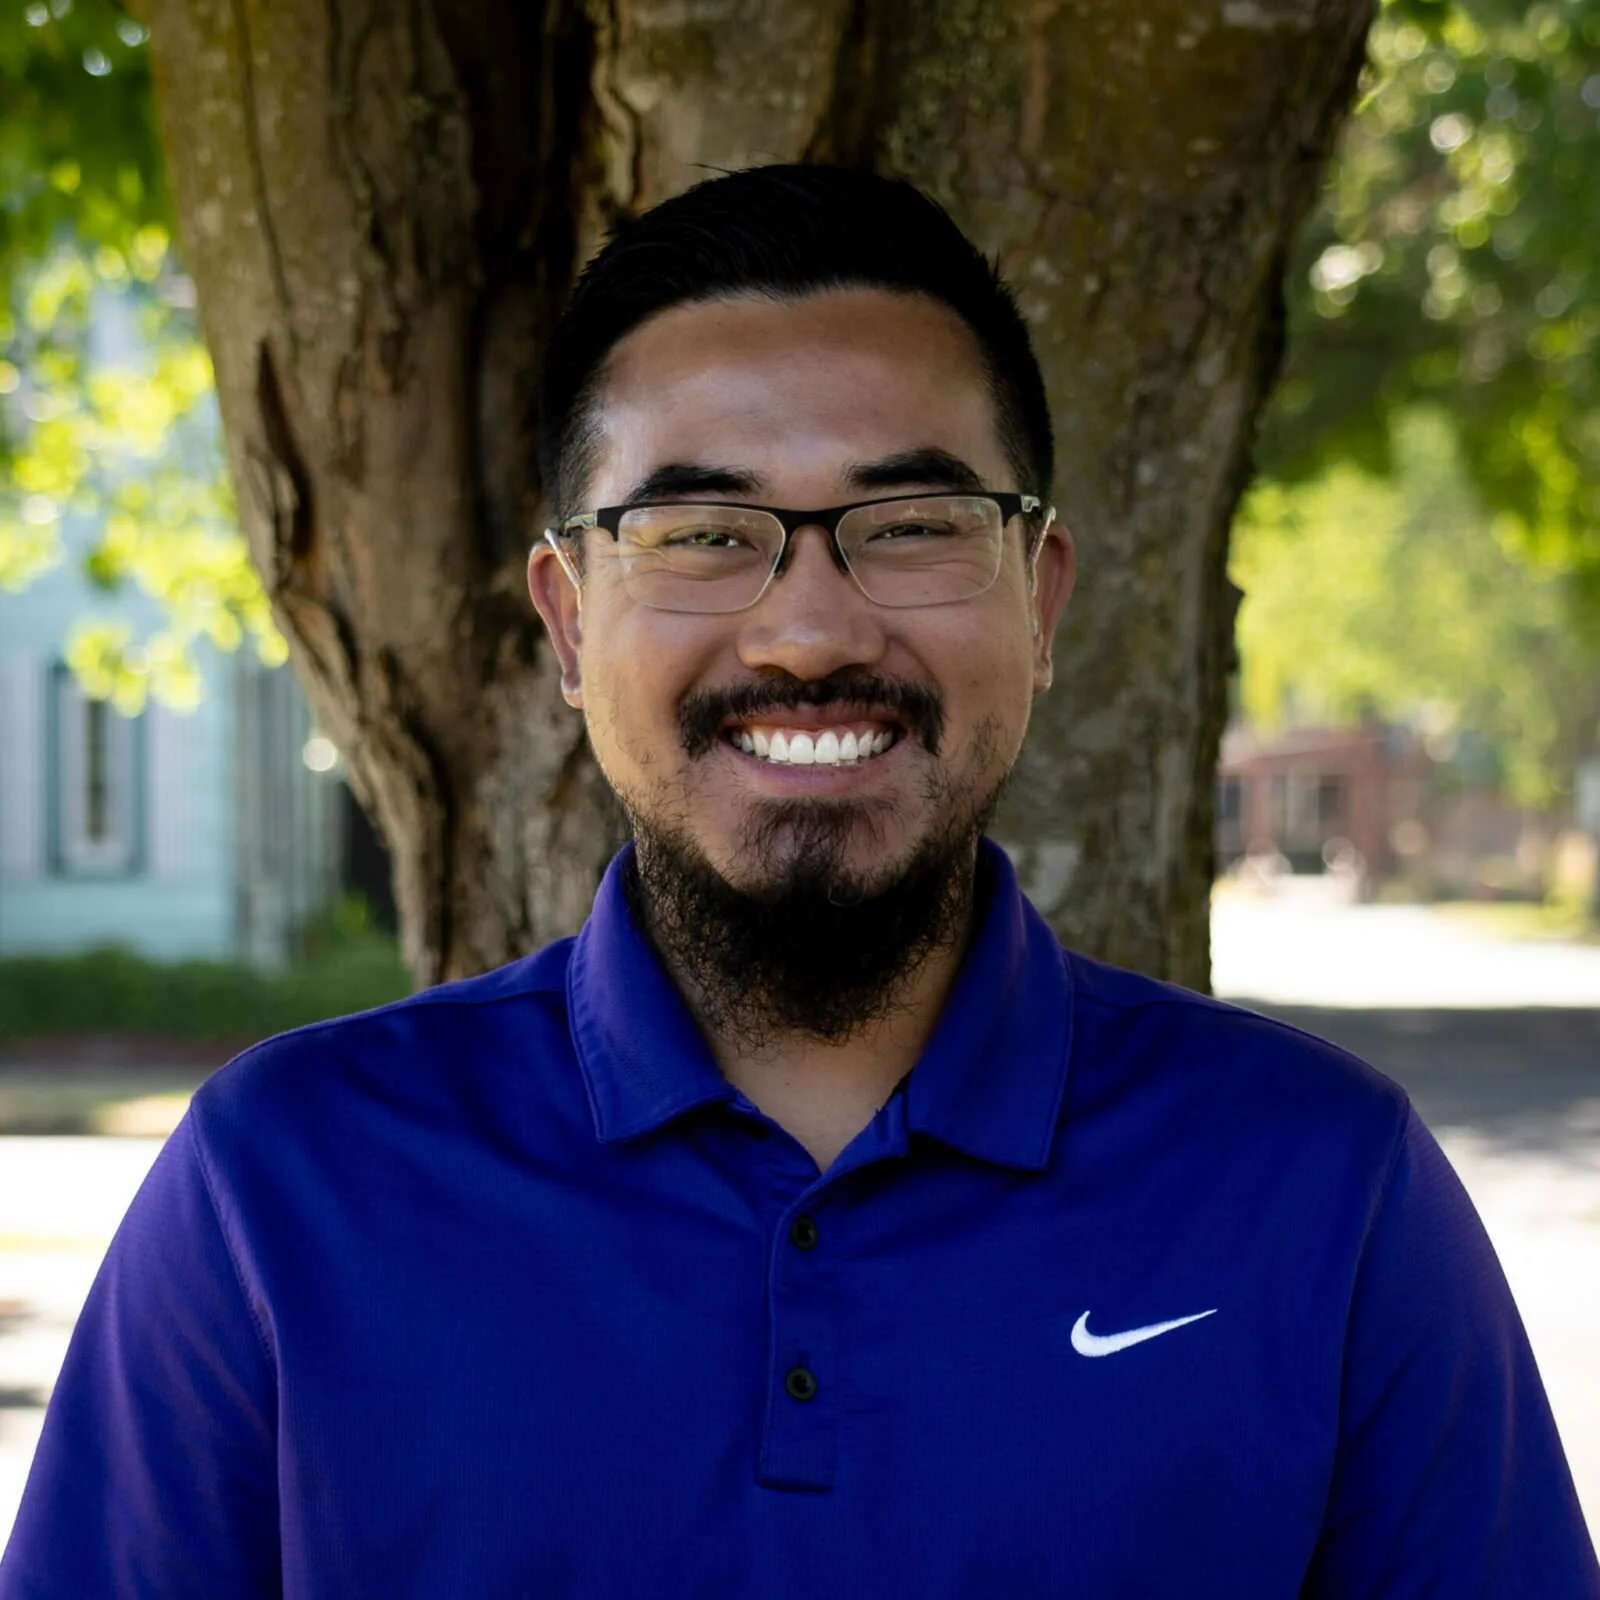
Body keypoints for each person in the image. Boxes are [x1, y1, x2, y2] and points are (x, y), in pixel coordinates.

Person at [2, 165, 1595, 1598]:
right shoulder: (280, 1193)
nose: (810, 631)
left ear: (1039, 606)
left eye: (908, 525)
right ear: (568, 624)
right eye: (700, 533)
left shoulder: (1326, 1192)